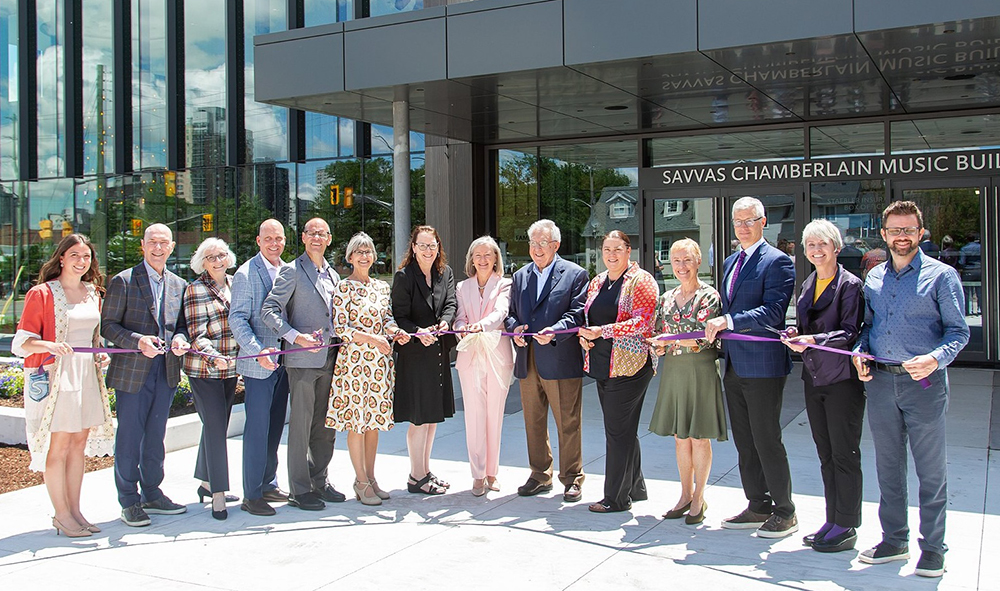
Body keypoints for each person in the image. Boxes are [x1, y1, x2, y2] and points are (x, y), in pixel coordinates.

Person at [853, 201, 969, 578]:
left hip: (925, 384)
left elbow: (958, 332)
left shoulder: (942, 276)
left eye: (909, 230)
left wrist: (935, 358)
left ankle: (934, 547)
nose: (901, 237)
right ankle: (894, 538)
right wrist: (860, 352)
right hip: (882, 383)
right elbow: (868, 328)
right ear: (884, 235)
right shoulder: (874, 279)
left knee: (930, 470)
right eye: (894, 230)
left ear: (921, 233)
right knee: (888, 466)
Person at [704, 197, 797, 538]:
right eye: (737, 221)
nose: (742, 227)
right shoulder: (730, 262)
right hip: (734, 365)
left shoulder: (778, 262)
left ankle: (785, 511)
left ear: (763, 221)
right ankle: (758, 504)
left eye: (749, 220)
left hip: (764, 366)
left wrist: (729, 320)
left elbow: (773, 311)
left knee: (766, 439)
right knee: (745, 440)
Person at [12, 234, 114, 537]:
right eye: (75, 256)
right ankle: (61, 515)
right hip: (58, 374)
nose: (81, 262)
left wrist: (102, 353)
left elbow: (92, 335)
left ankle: (76, 511)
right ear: (61, 258)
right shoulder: (41, 293)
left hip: (87, 375)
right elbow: (22, 342)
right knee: (59, 447)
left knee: (78, 446)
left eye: (86, 257)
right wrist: (51, 346)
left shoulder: (93, 292)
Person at [782, 220, 865, 553]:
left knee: (845, 454)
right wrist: (793, 334)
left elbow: (849, 333)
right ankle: (833, 519)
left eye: (822, 244)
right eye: (810, 246)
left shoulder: (850, 286)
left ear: (836, 248)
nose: (816, 251)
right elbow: (805, 325)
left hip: (842, 380)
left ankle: (847, 525)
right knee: (826, 453)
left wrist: (812, 339)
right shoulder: (807, 284)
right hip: (814, 379)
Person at [102, 223, 190, 527]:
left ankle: (152, 492)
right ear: (143, 245)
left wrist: (181, 339)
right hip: (132, 373)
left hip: (165, 372)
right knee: (129, 437)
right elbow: (108, 326)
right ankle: (129, 500)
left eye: (163, 243)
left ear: (171, 246)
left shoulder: (179, 284)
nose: (158, 248)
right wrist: (137, 341)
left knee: (155, 437)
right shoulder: (123, 281)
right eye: (152, 242)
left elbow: (181, 324)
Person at [261, 218, 346, 511]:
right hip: (302, 362)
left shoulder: (334, 275)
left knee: (325, 426)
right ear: (303, 237)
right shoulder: (291, 271)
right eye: (311, 233)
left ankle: (319, 481)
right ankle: (299, 489)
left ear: (329, 238)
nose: (316, 238)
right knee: (300, 426)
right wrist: (295, 337)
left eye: (322, 233)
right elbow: (269, 311)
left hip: (331, 359)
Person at [505, 219, 588, 503]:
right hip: (528, 359)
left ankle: (572, 477)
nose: (537, 249)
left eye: (543, 243)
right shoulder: (520, 276)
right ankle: (540, 474)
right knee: (533, 421)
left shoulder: (575, 274)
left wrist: (555, 331)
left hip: (560, 359)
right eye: (532, 243)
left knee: (567, 422)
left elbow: (578, 314)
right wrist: (515, 327)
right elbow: (511, 313)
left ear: (556, 245)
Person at [326, 232, 410, 505]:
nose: (364, 256)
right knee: (357, 424)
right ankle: (360, 481)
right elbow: (341, 329)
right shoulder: (342, 288)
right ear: (350, 258)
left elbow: (387, 319)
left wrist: (396, 331)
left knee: (373, 423)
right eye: (359, 252)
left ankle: (372, 478)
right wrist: (373, 338)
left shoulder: (381, 287)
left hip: (378, 364)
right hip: (354, 365)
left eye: (368, 251)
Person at [648, 238, 726, 526]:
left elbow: (702, 338)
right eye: (676, 260)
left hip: (701, 370)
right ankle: (684, 494)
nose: (681, 266)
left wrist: (670, 342)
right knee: (681, 437)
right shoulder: (666, 298)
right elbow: (661, 335)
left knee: (699, 436)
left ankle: (699, 498)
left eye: (687, 260)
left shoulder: (709, 296)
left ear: (697, 262)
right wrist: (657, 346)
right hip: (675, 371)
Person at [578, 231, 658, 513]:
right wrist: (585, 336)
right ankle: (635, 487)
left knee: (617, 431)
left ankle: (616, 498)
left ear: (628, 250)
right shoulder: (598, 281)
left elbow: (643, 322)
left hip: (631, 365)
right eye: (606, 249)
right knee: (622, 429)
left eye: (617, 249)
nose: (611, 254)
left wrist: (605, 331)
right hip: (602, 363)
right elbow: (588, 318)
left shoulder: (642, 280)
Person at [229, 219, 291, 517]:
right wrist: (257, 352)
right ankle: (251, 494)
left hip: (286, 363)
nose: (274, 243)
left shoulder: (288, 270)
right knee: (256, 429)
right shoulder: (244, 274)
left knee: (276, 426)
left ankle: (268, 482)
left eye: (278, 239)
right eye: (268, 239)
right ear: (258, 241)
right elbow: (237, 319)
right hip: (259, 365)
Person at [392, 225, 458, 495]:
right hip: (415, 355)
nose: (428, 250)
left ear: (438, 247)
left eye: (432, 245)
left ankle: (425, 470)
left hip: (438, 354)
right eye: (423, 245)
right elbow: (399, 315)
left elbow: (451, 304)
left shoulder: (446, 273)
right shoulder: (404, 276)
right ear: (414, 248)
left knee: (431, 418)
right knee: (418, 418)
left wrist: (444, 323)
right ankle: (415, 476)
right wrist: (419, 333)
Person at [179, 238, 240, 520]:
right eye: (211, 256)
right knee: (216, 427)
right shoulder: (195, 289)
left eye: (222, 255)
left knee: (217, 425)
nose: (218, 260)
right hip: (204, 370)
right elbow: (197, 334)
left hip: (231, 368)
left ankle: (205, 481)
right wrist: (213, 356)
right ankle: (218, 493)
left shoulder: (236, 284)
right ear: (202, 262)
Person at [454, 236, 514, 497]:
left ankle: (492, 472)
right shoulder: (461, 287)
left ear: (495, 258)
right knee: (474, 416)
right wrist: (460, 329)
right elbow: (459, 317)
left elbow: (501, 312)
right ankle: (477, 475)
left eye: (487, 255)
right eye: (477, 255)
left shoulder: (505, 284)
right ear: (471, 259)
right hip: (470, 356)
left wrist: (482, 325)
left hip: (497, 354)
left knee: (494, 415)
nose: (482, 259)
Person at [959, 232, 981, 315]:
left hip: (968, 271)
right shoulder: (981, 247)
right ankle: (981, 309)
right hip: (980, 270)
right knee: (980, 291)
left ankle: (968, 310)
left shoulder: (964, 249)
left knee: (967, 292)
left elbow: (962, 261)